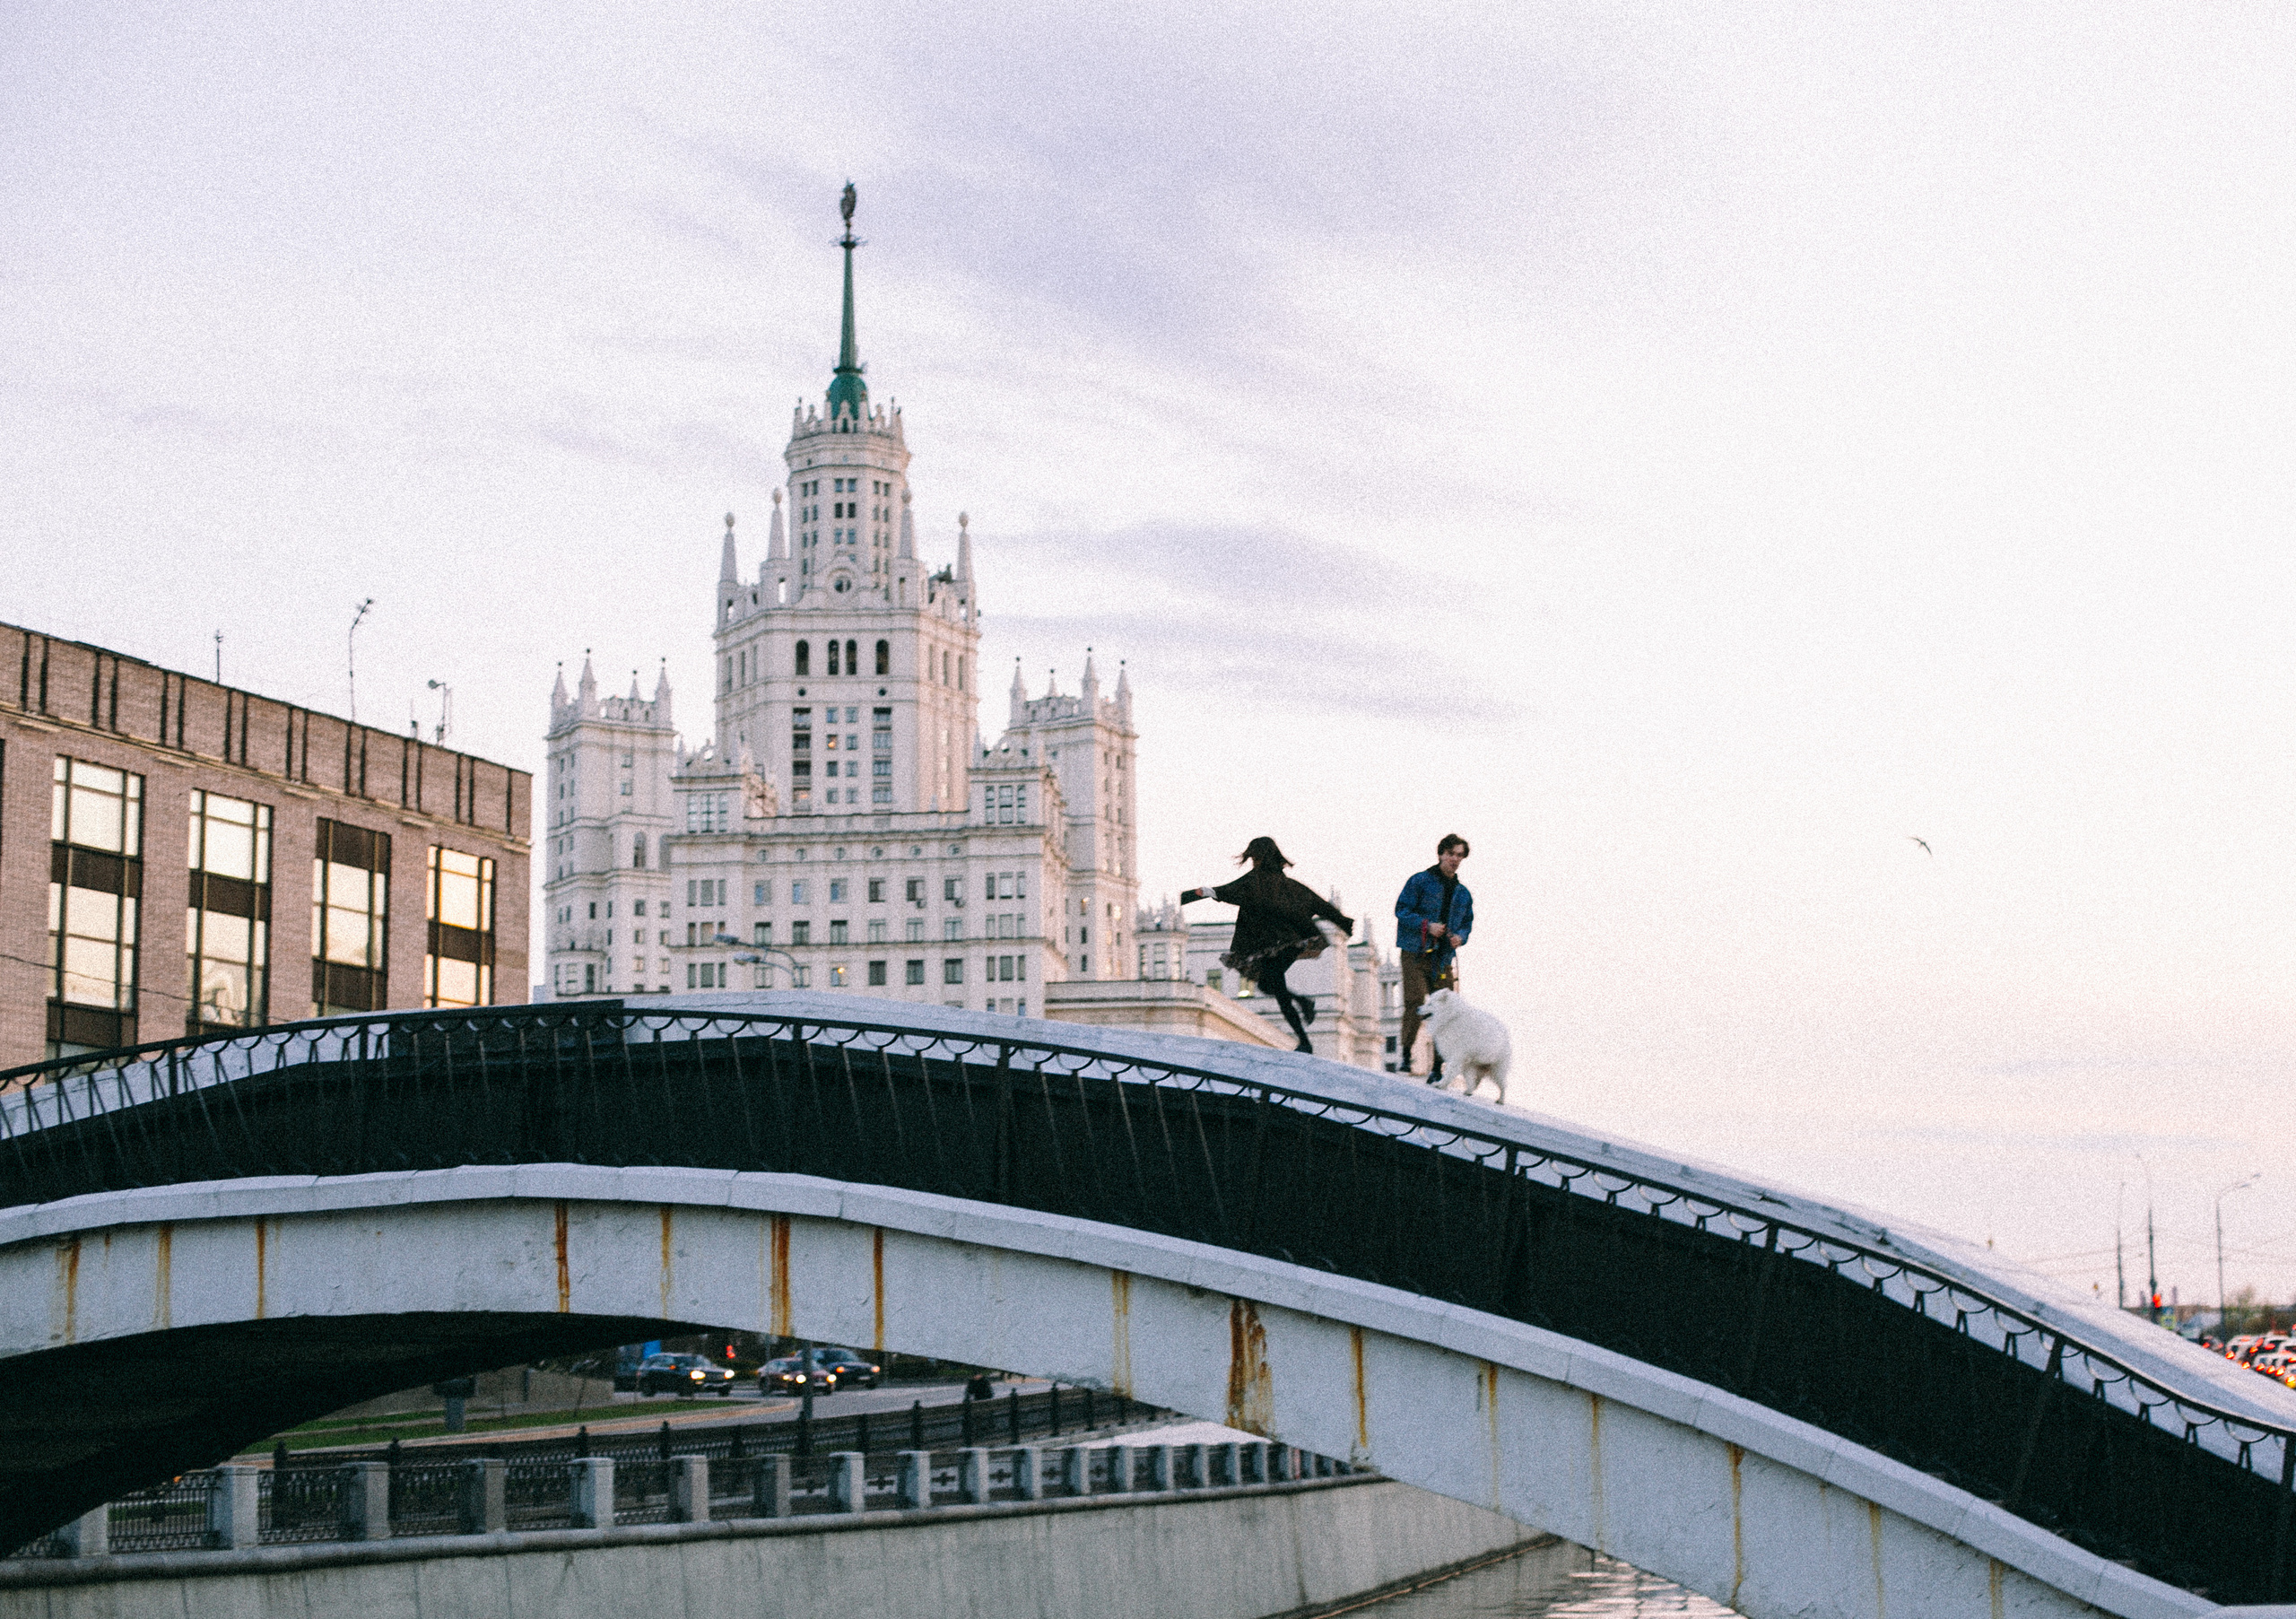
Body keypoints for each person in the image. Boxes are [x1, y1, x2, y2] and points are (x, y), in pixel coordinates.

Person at [1181, 837, 1352, 1052]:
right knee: (1267, 984)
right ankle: (1303, 1007)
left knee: (1276, 988)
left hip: (1274, 946)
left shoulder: (1254, 882)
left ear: (1258, 857)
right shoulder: (1289, 886)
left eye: (1254, 857)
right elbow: (1319, 904)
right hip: (1291, 944)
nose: (1253, 861)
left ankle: (1305, 1038)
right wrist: (1344, 923)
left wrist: (1190, 895)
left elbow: (1223, 891)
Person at [1396, 834, 1473, 1082]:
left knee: (1447, 1009)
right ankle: (1406, 1054)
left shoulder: (1463, 894)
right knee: (1416, 1001)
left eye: (1459, 855)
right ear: (1440, 854)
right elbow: (1401, 910)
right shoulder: (1419, 881)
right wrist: (1427, 926)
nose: (1455, 859)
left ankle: (1438, 1066)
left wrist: (1460, 937)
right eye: (1451, 854)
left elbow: (1467, 924)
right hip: (1415, 953)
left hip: (1442, 959)